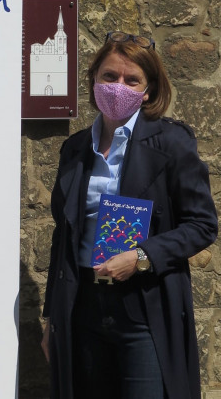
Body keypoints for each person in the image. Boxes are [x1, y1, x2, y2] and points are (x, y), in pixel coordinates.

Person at [41, 31, 218, 399]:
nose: (118, 86)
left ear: (148, 90)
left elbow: (202, 225)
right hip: (84, 307)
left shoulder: (171, 143)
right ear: (93, 80)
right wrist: (51, 319)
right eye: (109, 76)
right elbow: (63, 236)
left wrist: (141, 257)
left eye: (131, 80)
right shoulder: (75, 149)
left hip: (144, 308)